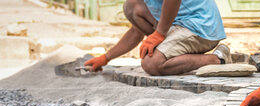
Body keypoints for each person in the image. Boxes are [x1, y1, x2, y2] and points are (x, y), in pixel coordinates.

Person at [84, 0, 230, 76]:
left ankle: (218, 58)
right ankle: (174, 53)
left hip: (200, 27)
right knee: (132, 6)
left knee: (152, 64)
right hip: (179, 25)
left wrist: (160, 33)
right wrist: (106, 58)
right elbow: (136, 32)